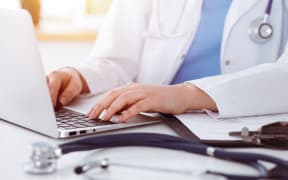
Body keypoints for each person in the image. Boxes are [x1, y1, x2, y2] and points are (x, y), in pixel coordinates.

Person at [47, 0, 288, 123]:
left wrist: (185, 95)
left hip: (240, 131)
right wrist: (79, 77)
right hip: (150, 126)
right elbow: (117, 59)